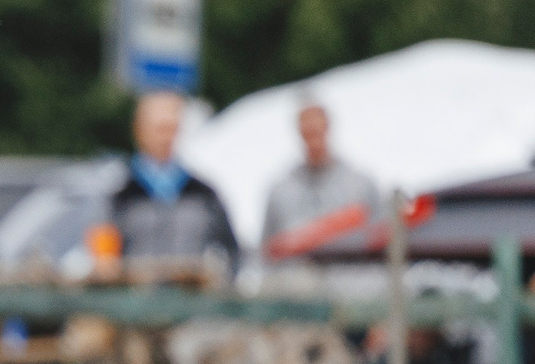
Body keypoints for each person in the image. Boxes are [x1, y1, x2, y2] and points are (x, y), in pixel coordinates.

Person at [110, 91, 238, 266]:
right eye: (160, 128)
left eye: (172, 128)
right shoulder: (119, 195)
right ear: (139, 130)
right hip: (137, 291)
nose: (166, 137)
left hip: (191, 291)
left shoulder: (203, 194)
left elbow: (232, 251)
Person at [261, 98, 380, 257]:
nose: (313, 140)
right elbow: (267, 252)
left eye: (316, 130)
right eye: (307, 132)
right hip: (296, 276)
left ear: (327, 127)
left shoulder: (360, 185)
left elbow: (381, 237)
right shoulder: (280, 192)